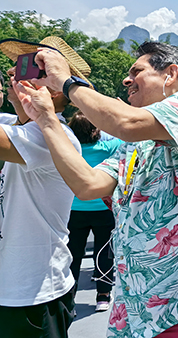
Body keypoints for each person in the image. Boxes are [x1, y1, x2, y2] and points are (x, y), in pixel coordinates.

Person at [15, 41, 178, 338]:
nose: (127, 79)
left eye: (137, 70)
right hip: (136, 313)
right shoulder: (137, 145)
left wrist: (67, 82)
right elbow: (87, 184)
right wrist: (45, 118)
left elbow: (125, 121)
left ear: (170, 74)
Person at [0, 36, 85, 338]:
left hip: (31, 294)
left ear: (57, 89)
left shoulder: (56, 137)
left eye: (31, 67)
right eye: (16, 65)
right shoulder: (14, 124)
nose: (13, 72)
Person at [67, 111, 124, 312]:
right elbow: (125, 136)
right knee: (103, 252)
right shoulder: (108, 147)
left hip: (75, 208)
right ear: (95, 130)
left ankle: (69, 297)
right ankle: (103, 295)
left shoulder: (69, 150)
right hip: (103, 208)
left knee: (72, 254)